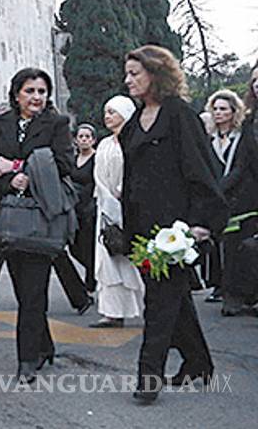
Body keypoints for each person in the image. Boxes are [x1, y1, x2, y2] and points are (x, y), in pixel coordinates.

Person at [119, 45, 227, 403]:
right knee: (174, 300)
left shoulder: (179, 115)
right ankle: (198, 362)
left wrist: (201, 224)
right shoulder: (134, 122)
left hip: (176, 232)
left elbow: (203, 171)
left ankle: (148, 380)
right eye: (127, 73)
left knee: (159, 304)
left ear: (156, 74)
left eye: (135, 73)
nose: (128, 80)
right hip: (142, 232)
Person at [0, 67, 71, 384]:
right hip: (6, 219)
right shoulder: (0, 124)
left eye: (42, 91)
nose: (36, 97)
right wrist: (8, 179)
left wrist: (19, 168)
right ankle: (44, 346)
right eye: (30, 91)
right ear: (16, 94)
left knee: (33, 293)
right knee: (24, 292)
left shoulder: (57, 124)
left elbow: (64, 165)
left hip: (39, 217)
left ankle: (27, 360)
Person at [89, 96, 145, 328]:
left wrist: (122, 191)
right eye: (106, 111)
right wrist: (106, 196)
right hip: (106, 208)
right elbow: (98, 173)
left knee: (131, 258)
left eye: (113, 111)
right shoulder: (103, 144)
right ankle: (112, 312)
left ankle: (144, 308)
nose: (107, 116)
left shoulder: (135, 141)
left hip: (129, 207)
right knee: (107, 257)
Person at [201, 90, 246, 303]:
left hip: (235, 197)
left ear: (233, 112)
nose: (218, 113)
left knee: (231, 244)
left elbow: (240, 168)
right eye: (215, 109)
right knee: (215, 240)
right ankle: (217, 284)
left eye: (223, 109)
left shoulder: (241, 138)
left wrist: (221, 188)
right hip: (214, 197)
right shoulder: (209, 139)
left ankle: (232, 288)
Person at [221, 65, 258, 316]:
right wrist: (219, 189)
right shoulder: (250, 121)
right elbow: (242, 164)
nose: (257, 84)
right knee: (239, 244)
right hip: (251, 195)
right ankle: (237, 296)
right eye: (254, 80)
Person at [70, 123, 98, 293]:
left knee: (89, 247)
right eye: (81, 136)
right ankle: (93, 271)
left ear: (93, 140)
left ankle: (91, 281)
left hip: (90, 209)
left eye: (88, 136)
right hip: (74, 209)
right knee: (75, 248)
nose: (84, 140)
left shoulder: (97, 158)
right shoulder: (73, 160)